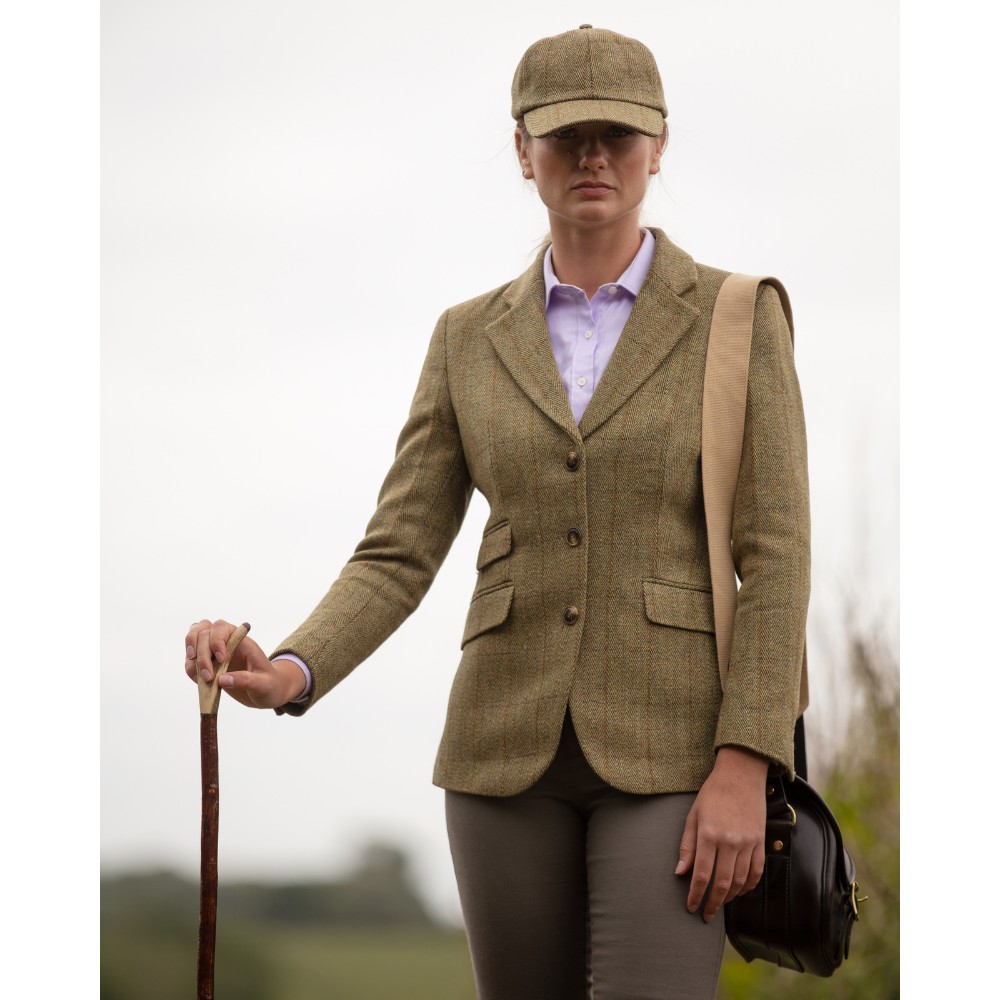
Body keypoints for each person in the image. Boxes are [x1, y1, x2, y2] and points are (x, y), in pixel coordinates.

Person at [184, 25, 809, 1000]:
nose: (592, 155)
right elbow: (398, 550)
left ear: (659, 144)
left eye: (617, 132)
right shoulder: (465, 338)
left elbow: (773, 558)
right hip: (497, 756)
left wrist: (747, 757)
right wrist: (294, 666)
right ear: (523, 150)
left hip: (678, 751)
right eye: (565, 135)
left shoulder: (738, 314)